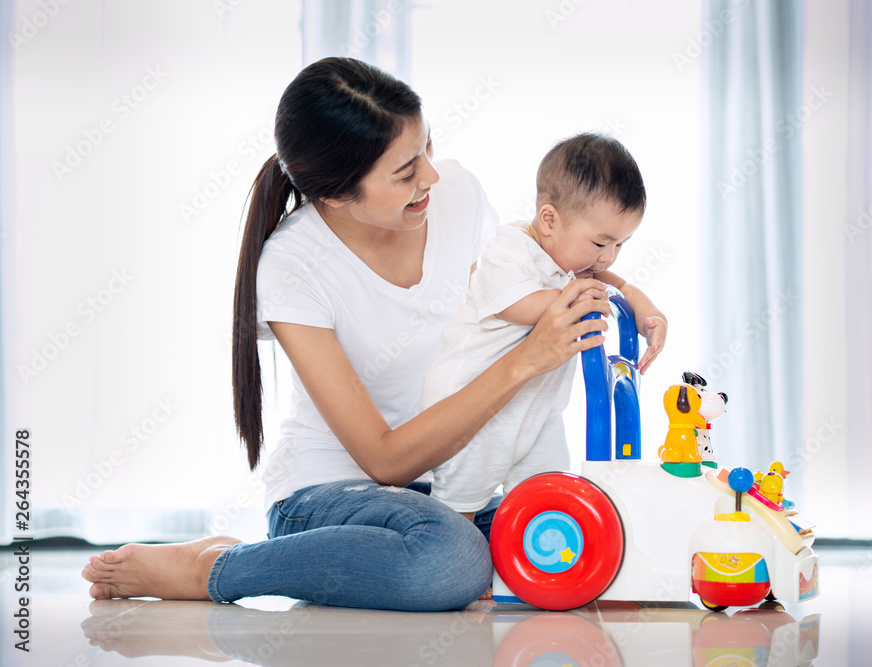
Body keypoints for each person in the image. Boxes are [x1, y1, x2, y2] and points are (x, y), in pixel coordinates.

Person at [80, 57, 612, 611]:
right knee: (450, 560)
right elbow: (384, 462)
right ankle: (214, 568)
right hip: (329, 494)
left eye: (428, 148)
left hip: (439, 490)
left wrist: (623, 294)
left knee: (575, 530)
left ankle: (385, 555)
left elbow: (536, 278)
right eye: (406, 172)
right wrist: (527, 360)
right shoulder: (292, 266)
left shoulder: (458, 192)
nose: (431, 176)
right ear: (336, 195)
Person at [419, 133, 667, 517]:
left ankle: (538, 568)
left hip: (538, 415)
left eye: (621, 245)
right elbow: (519, 305)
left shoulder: (578, 265)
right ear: (549, 220)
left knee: (548, 500)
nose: (609, 257)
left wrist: (651, 316)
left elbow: (621, 287)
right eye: (601, 243)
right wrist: (577, 299)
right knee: (460, 510)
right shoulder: (509, 250)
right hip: (477, 415)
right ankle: (465, 569)